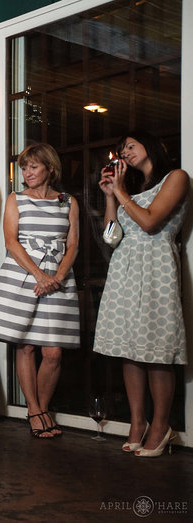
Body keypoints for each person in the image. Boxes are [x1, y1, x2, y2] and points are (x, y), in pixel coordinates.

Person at [93, 131, 188, 457]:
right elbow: (111, 237)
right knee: (128, 348)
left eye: (130, 146)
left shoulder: (176, 178)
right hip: (124, 269)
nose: (126, 153)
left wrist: (120, 192)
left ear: (152, 146)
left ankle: (161, 427)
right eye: (122, 149)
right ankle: (138, 423)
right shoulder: (131, 191)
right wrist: (110, 196)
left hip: (155, 268)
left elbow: (150, 223)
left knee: (156, 349)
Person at [0, 143, 80, 438]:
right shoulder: (16, 199)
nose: (27, 172)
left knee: (53, 352)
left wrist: (57, 276)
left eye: (34, 166)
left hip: (59, 278)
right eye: (24, 167)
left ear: (50, 168)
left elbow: (73, 243)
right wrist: (39, 274)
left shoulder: (68, 201)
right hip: (23, 276)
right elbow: (11, 241)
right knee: (25, 346)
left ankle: (43, 407)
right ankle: (34, 410)